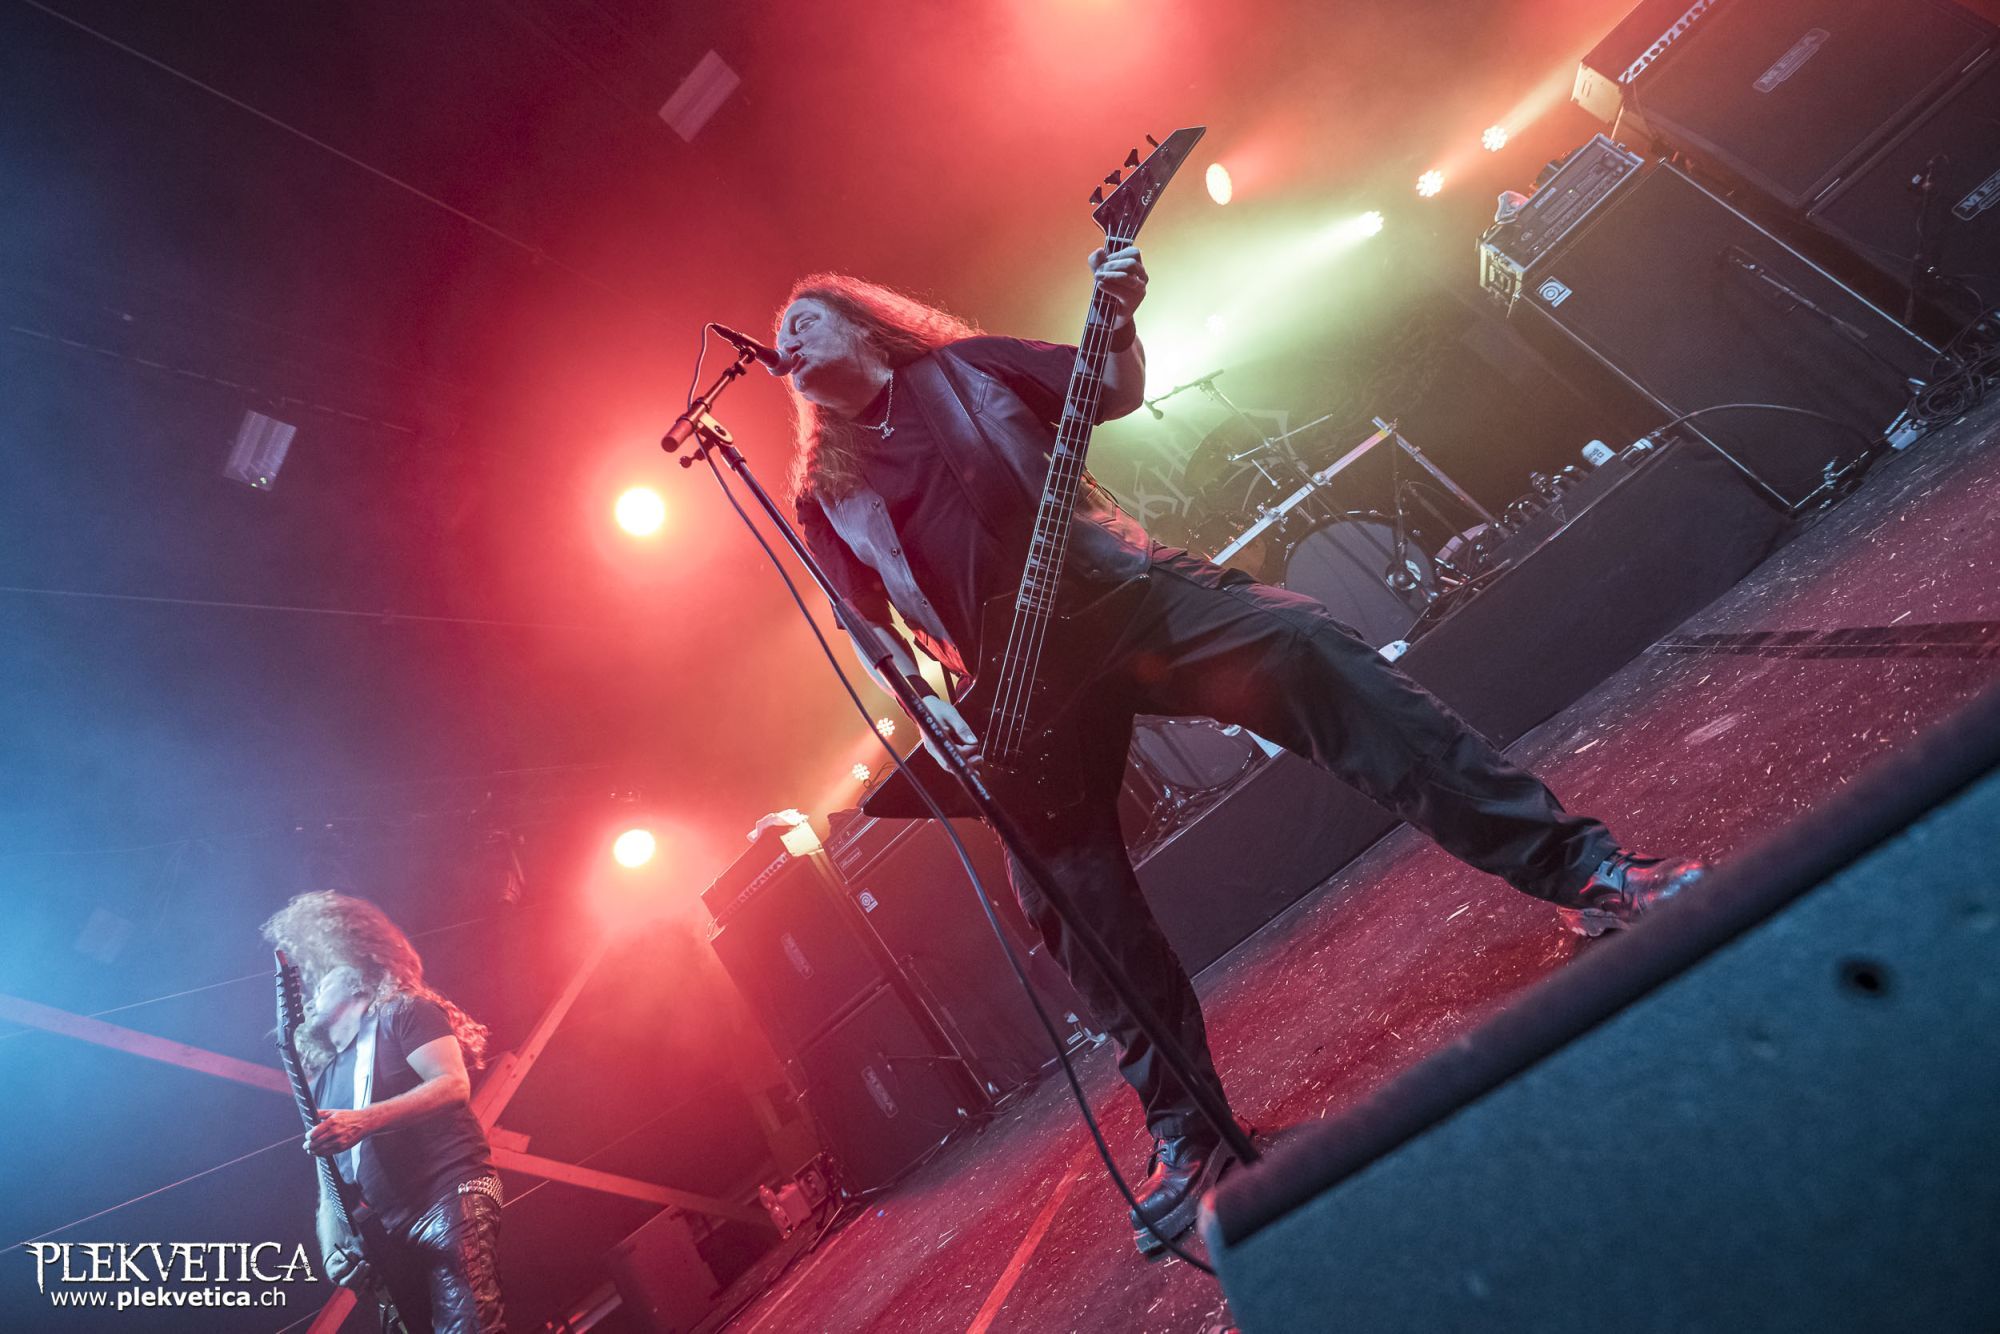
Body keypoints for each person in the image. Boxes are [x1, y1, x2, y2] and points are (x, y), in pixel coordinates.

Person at [777, 248, 1704, 1256]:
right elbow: (866, 627)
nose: (787, 344)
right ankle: (1190, 1132)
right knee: (1069, 897)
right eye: (781, 341)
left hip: (1125, 599)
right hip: (1019, 690)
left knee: (1308, 647)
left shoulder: (970, 368)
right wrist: (929, 709)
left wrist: (1118, 314)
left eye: (804, 322)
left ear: (864, 323)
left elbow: (1109, 389)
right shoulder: (826, 494)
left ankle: (1584, 871)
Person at [262, 891, 507, 1332]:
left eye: (326, 981)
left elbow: (452, 1084)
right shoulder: (327, 1080)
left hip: (448, 1196)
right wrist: (332, 1249)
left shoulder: (404, 1012)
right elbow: (329, 1184)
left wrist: (364, 1120)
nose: (315, 992)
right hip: (390, 1234)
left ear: (359, 979)